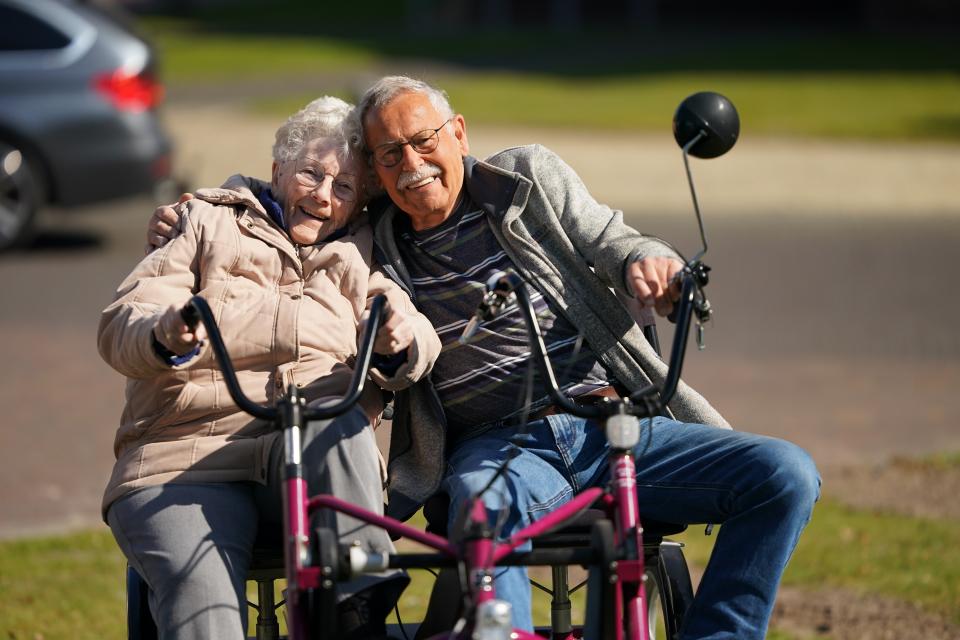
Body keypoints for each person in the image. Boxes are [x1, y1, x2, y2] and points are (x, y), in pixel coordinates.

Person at [150, 77, 821, 639]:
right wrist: (193, 216)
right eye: (390, 155)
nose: (412, 165)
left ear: (459, 134)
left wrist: (655, 262)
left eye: (424, 142)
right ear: (377, 172)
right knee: (482, 518)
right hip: (498, 449)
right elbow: (286, 201)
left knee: (784, 475)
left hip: (615, 424)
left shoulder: (526, 177)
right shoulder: (369, 239)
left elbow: (610, 237)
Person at [100, 96, 440, 640]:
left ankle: (357, 606)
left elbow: (410, 329)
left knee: (339, 416)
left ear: (358, 205)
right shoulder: (205, 223)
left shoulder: (363, 251)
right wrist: (166, 332)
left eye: (345, 188)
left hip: (304, 457)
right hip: (183, 460)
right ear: (278, 168)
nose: (325, 197)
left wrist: (400, 338)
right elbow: (122, 324)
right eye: (311, 173)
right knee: (204, 613)